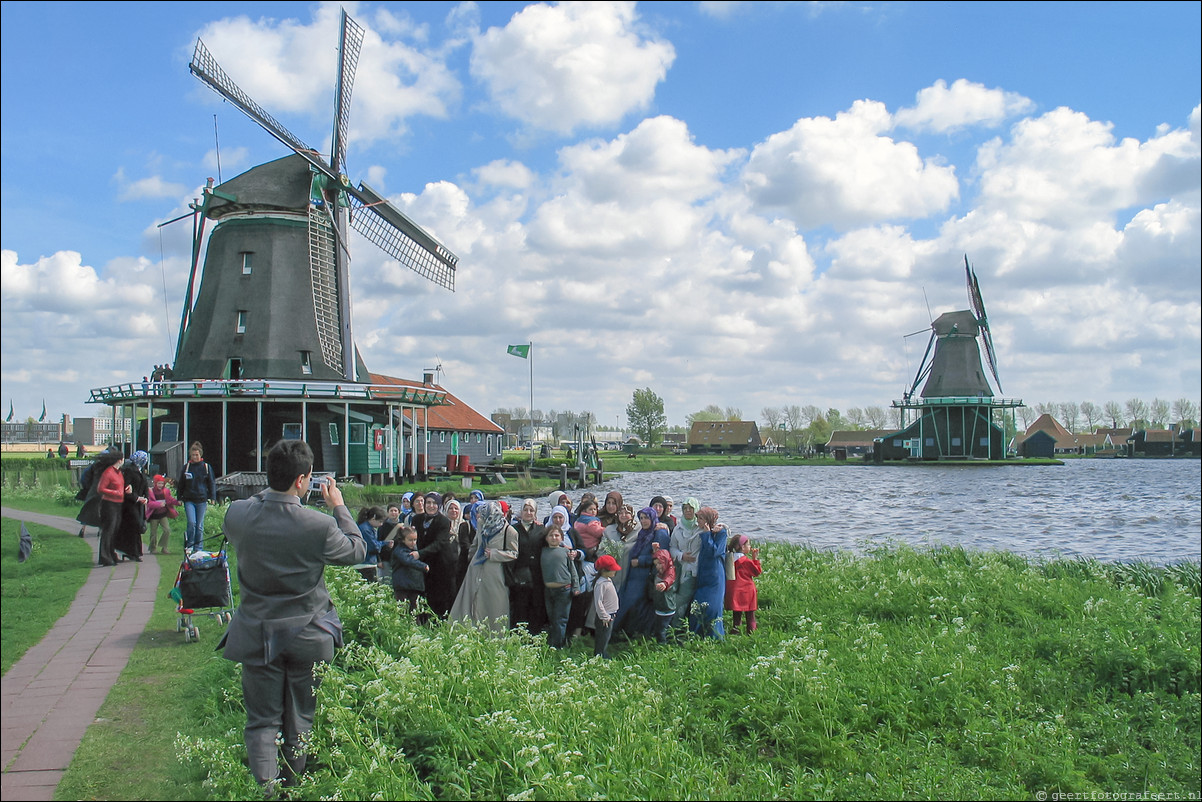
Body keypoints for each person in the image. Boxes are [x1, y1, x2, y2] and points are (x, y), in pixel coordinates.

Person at [218, 439, 366, 792]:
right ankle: (292, 789)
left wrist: (271, 494)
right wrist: (339, 507)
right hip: (308, 633)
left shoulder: (237, 514)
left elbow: (250, 508)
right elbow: (357, 550)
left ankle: (266, 791)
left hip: (257, 630)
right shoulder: (318, 526)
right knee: (300, 719)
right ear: (303, 480)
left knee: (261, 722)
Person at [449, 501, 518, 633]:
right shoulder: (482, 525)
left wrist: (495, 554)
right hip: (476, 569)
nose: (480, 517)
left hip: (495, 572)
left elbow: (514, 553)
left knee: (494, 604)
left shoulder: (509, 531)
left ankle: (495, 634)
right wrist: (471, 559)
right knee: (471, 600)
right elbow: (476, 543)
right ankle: (468, 631)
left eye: (484, 514)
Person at [611, 507, 671, 637]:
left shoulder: (659, 533)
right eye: (641, 518)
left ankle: (627, 632)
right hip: (634, 574)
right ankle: (626, 632)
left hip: (645, 575)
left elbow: (663, 557)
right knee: (627, 602)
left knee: (633, 602)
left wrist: (641, 561)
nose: (643, 521)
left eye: (646, 518)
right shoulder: (643, 533)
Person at [413, 492, 459, 620]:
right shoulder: (417, 519)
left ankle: (440, 623)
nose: (431, 506)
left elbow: (439, 543)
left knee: (440, 596)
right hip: (422, 563)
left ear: (439, 505)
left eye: (434, 503)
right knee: (423, 595)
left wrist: (420, 553)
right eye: (428, 502)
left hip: (440, 564)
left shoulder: (443, 521)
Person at [508, 498, 548, 634]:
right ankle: (519, 635)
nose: (528, 513)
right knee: (520, 606)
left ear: (535, 513)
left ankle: (534, 636)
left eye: (531, 510)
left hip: (537, 575)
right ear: (521, 512)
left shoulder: (541, 530)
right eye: (525, 510)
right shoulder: (513, 529)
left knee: (536, 606)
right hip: (520, 574)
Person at [691, 506, 727, 640]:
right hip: (703, 573)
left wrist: (707, 535)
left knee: (713, 606)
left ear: (708, 520)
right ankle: (697, 634)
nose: (698, 522)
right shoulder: (701, 531)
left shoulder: (720, 533)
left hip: (715, 574)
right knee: (699, 603)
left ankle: (715, 636)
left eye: (700, 519)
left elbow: (715, 552)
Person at [540, 524, 579, 648]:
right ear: (546, 538)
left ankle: (559, 646)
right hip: (548, 589)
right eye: (551, 535)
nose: (553, 537)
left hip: (564, 589)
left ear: (561, 538)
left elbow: (573, 571)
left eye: (557, 535)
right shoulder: (543, 551)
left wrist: (576, 587)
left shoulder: (566, 552)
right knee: (552, 618)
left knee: (560, 619)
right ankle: (552, 642)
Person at [669, 497, 703, 636]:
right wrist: (682, 556)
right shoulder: (678, 528)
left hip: (700, 570)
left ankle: (695, 630)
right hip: (684, 570)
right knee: (680, 601)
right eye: (685, 508)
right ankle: (676, 631)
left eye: (691, 508)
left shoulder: (701, 526)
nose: (688, 511)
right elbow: (672, 547)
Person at [178, 441, 216, 552]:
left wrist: (213, 497)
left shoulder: (206, 467)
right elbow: (181, 483)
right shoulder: (187, 467)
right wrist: (179, 498)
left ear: (200, 455)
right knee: (192, 523)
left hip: (201, 500)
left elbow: (211, 483)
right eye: (193, 455)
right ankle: (189, 545)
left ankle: (198, 547)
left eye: (197, 455)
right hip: (189, 499)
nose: (195, 457)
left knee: (199, 525)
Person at [113, 450, 149, 562]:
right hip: (129, 505)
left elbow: (145, 486)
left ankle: (134, 552)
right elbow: (126, 489)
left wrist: (146, 498)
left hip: (138, 504)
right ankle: (132, 552)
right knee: (134, 526)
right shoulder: (129, 471)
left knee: (136, 527)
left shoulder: (139, 470)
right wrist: (137, 498)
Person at [93, 451, 126, 566]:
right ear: (119, 460)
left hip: (118, 503)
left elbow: (119, 485)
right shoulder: (108, 473)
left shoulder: (119, 473)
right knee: (108, 530)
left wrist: (125, 489)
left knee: (114, 530)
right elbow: (100, 488)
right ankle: (104, 556)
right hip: (109, 504)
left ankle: (111, 554)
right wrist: (115, 492)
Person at [725, 534, 762, 634]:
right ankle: (752, 633)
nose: (750, 547)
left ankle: (736, 631)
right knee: (750, 615)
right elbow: (757, 572)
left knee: (736, 613)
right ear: (742, 547)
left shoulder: (730, 559)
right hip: (747, 591)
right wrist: (755, 559)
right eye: (748, 545)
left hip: (734, 591)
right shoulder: (746, 561)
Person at [389, 525, 428, 615]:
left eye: (415, 540)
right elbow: (408, 561)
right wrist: (423, 566)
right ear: (403, 540)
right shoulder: (400, 551)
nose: (413, 543)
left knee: (414, 611)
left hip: (412, 586)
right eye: (410, 540)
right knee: (403, 611)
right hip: (403, 586)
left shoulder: (412, 550)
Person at [591, 554, 622, 658]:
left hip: (610, 614)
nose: (615, 571)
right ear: (604, 570)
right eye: (612, 569)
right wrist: (604, 617)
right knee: (602, 638)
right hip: (605, 617)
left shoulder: (607, 580)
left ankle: (602, 653)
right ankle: (600, 655)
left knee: (606, 637)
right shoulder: (601, 584)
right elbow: (598, 602)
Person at [648, 541, 677, 644]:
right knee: (659, 627)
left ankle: (663, 646)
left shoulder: (669, 571)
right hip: (660, 606)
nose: (658, 567)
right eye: (656, 565)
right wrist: (656, 551)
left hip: (667, 607)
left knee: (662, 629)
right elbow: (659, 556)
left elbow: (670, 578)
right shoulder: (660, 571)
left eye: (660, 563)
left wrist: (664, 584)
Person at [144, 474, 180, 554]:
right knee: (153, 533)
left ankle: (164, 547)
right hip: (154, 515)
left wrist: (178, 502)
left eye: (162, 483)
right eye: (159, 483)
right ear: (155, 483)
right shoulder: (150, 491)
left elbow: (170, 500)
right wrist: (158, 505)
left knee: (167, 530)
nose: (160, 485)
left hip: (163, 514)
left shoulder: (166, 491)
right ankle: (152, 548)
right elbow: (149, 503)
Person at [446, 499, 472, 592]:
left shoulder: (465, 525)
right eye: (451, 508)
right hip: (448, 563)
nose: (453, 511)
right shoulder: (443, 524)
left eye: (456, 508)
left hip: (462, 563)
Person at [355, 506, 387, 582]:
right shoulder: (365, 529)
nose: (381, 524)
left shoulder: (367, 527)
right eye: (380, 521)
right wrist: (384, 543)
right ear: (373, 518)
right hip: (365, 564)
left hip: (365, 563)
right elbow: (374, 547)